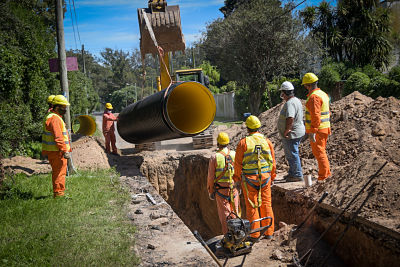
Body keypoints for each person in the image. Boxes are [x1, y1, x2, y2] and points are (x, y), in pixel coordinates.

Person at [233, 115, 276, 240]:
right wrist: (272, 176)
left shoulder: (243, 143)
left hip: (249, 180)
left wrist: (237, 179)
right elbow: (272, 161)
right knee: (267, 204)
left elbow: (238, 163)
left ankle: (255, 234)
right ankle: (269, 233)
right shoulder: (267, 141)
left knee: (252, 206)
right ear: (258, 127)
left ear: (248, 128)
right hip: (265, 178)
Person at [207, 132, 240, 234]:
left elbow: (211, 177)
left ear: (218, 143)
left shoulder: (214, 157)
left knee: (225, 215)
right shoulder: (234, 154)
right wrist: (239, 187)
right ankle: (237, 235)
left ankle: (228, 237)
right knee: (235, 212)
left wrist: (210, 191)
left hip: (221, 191)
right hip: (233, 188)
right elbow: (239, 172)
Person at [302, 73, 331, 181]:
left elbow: (315, 115)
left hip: (318, 129)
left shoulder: (314, 97)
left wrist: (313, 131)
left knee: (319, 152)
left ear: (307, 85)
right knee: (321, 151)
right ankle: (326, 174)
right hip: (324, 127)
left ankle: (323, 177)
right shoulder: (323, 94)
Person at [42, 95, 72, 198]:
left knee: (58, 172)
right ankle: (59, 195)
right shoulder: (54, 119)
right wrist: (64, 150)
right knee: (59, 173)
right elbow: (58, 137)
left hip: (55, 151)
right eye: (63, 107)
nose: (65, 109)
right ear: (56, 107)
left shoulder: (53, 116)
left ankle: (58, 193)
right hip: (57, 151)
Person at [277, 81, 305, 182]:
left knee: (292, 154)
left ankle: (297, 174)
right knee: (291, 153)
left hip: (292, 133)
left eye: (282, 93)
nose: (282, 96)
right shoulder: (296, 100)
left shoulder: (290, 103)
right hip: (297, 131)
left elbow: (290, 117)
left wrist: (287, 129)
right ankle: (292, 173)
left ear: (284, 93)